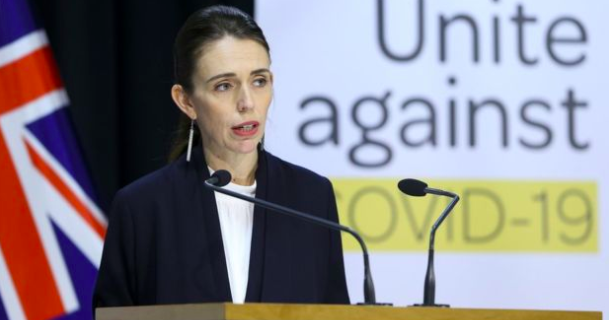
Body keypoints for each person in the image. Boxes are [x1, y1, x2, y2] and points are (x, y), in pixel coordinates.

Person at [92, 5, 350, 307]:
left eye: (259, 81)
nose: (246, 102)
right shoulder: (142, 209)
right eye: (224, 86)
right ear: (186, 101)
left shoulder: (311, 198)